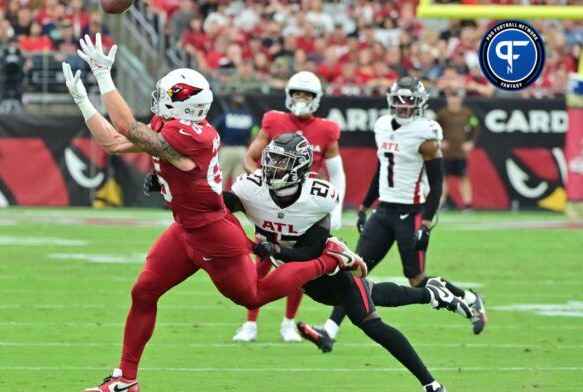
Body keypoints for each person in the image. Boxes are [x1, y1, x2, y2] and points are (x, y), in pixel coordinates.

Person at [63, 33, 364, 392]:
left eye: (169, 95)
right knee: (144, 291)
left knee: (253, 294)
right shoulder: (174, 126)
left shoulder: (194, 135)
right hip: (184, 228)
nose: (160, 99)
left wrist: (102, 77)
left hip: (212, 231)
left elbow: (128, 128)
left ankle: (328, 259)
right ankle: (126, 380)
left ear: (184, 105)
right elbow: (114, 142)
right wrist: (83, 100)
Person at [224, 133, 453, 392]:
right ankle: (431, 294)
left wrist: (275, 249)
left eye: (281, 161)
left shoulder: (317, 197)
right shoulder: (251, 189)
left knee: (370, 323)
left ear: (299, 166)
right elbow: (221, 205)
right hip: (308, 282)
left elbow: (311, 252)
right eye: (271, 159)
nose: (272, 167)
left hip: (329, 268)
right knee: (373, 292)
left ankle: (431, 384)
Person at [302, 77, 488, 353]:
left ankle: (470, 300)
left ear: (420, 102)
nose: (403, 105)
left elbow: (437, 183)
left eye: (409, 99)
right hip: (384, 210)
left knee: (416, 277)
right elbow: (381, 170)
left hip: (411, 213)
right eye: (398, 99)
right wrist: (365, 206)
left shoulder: (425, 134)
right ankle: (328, 331)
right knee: (352, 271)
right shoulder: (382, 127)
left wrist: (425, 222)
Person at [233, 71, 346, 343]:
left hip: (305, 210)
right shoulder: (273, 120)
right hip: (272, 204)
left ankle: (288, 322)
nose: (301, 99)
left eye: (307, 95)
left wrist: (336, 210)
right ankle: (250, 323)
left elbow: (338, 173)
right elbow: (251, 158)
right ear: (288, 95)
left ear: (317, 99)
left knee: (298, 267)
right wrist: (263, 185)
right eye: (297, 94)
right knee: (261, 261)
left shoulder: (327, 129)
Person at [435, 88, 478, 210]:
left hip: (460, 153)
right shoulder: (442, 113)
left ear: (460, 98)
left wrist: (470, 142)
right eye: (451, 96)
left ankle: (467, 203)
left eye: (456, 96)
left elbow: (475, 126)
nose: (454, 99)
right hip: (446, 153)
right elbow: (433, 127)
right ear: (447, 98)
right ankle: (441, 203)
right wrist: (439, 141)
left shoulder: (467, 113)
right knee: (443, 178)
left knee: (464, 177)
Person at [211, 95, 255, 190]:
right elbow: (255, 133)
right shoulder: (249, 118)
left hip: (227, 149)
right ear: (244, 105)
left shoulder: (226, 116)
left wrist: (219, 141)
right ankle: (236, 202)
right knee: (239, 180)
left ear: (232, 104)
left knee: (220, 178)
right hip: (242, 150)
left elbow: (213, 128)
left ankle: (218, 201)